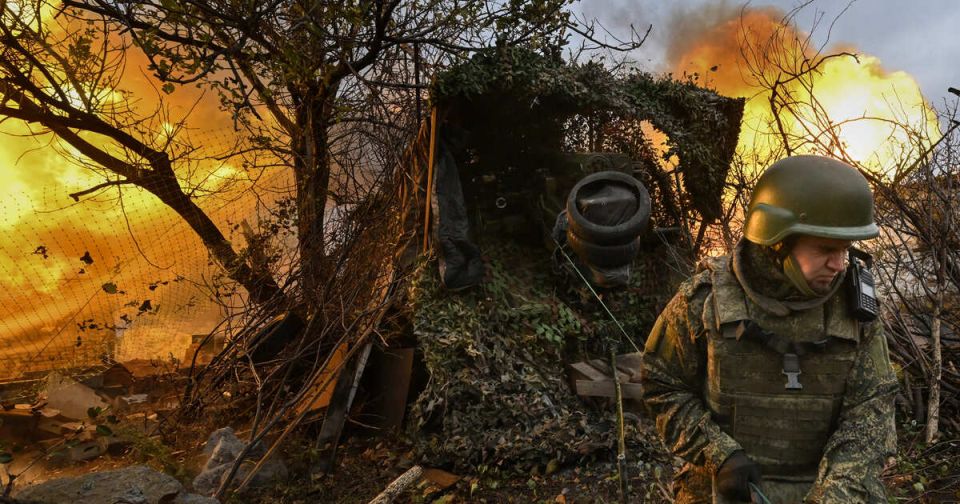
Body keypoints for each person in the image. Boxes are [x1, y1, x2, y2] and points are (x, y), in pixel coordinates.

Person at [638, 155, 898, 503]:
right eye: (825, 249)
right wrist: (719, 454)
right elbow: (661, 384)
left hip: (831, 487)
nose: (838, 265)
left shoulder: (855, 313)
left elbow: (871, 412)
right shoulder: (705, 302)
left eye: (845, 250)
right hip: (724, 486)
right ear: (777, 242)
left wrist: (834, 496)